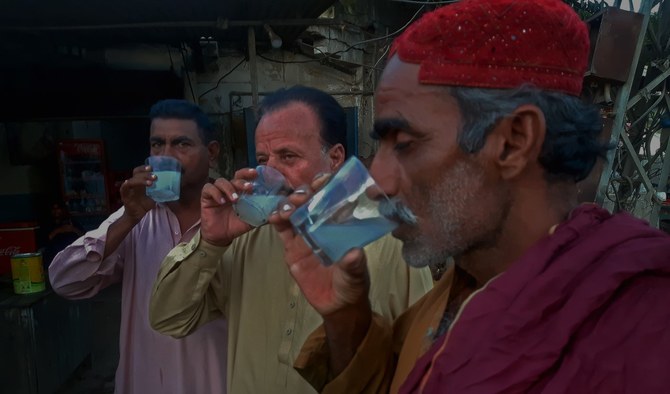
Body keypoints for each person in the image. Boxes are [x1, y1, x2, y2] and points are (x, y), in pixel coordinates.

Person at [268, 1, 670, 393]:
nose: (377, 183)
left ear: (514, 143)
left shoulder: (641, 331)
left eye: (405, 143)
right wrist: (345, 315)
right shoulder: (456, 292)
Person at [149, 85, 433, 394]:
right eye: (262, 158)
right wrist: (210, 241)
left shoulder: (386, 240)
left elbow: (421, 358)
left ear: (335, 157)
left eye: (288, 156)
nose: (270, 172)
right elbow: (169, 320)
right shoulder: (245, 236)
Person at [49, 99, 228, 394]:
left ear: (211, 153)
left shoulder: (237, 219)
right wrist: (128, 218)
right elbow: (64, 281)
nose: (165, 156)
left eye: (181, 144)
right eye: (157, 145)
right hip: (146, 382)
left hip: (216, 383)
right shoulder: (135, 219)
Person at [42, 201, 84, 266]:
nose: (56, 211)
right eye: (53, 209)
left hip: (71, 254)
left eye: (58, 209)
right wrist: (59, 230)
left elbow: (83, 236)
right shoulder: (48, 223)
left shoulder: (71, 221)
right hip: (54, 255)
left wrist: (73, 229)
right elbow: (45, 240)